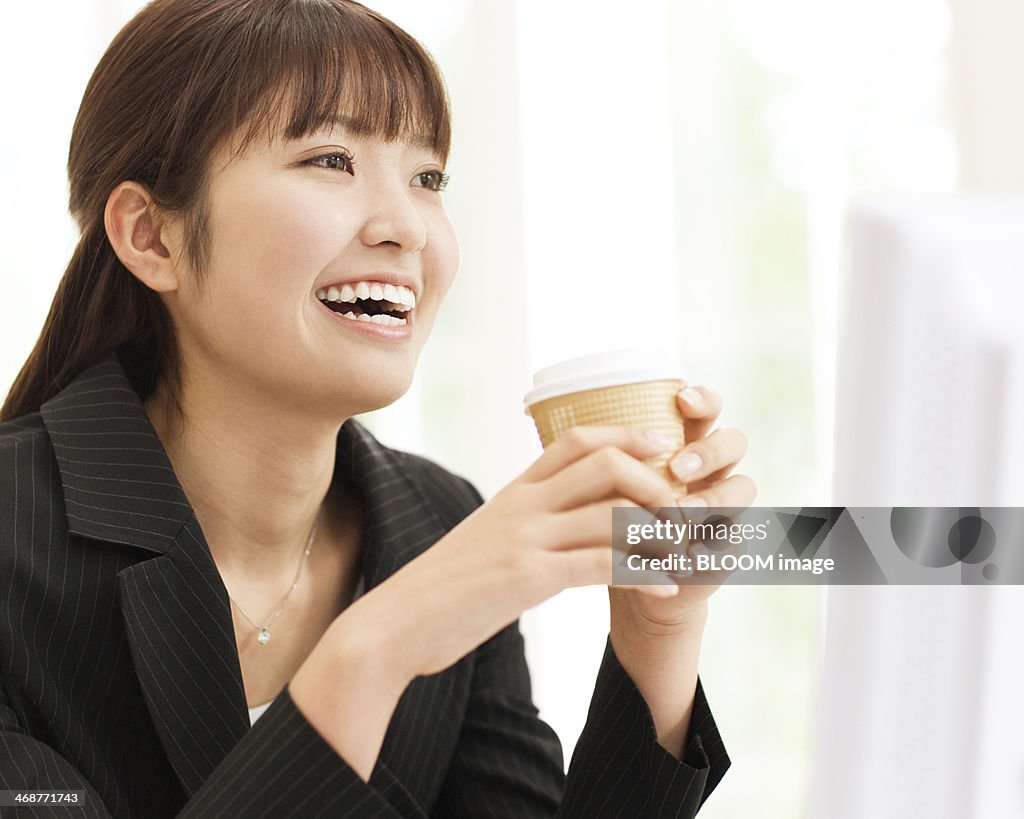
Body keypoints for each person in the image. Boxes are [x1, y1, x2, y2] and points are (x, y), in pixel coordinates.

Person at [0, 1, 755, 816]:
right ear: (152, 236)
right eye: (330, 158)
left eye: (427, 179)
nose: (408, 228)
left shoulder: (437, 522)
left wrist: (658, 635)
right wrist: (374, 649)